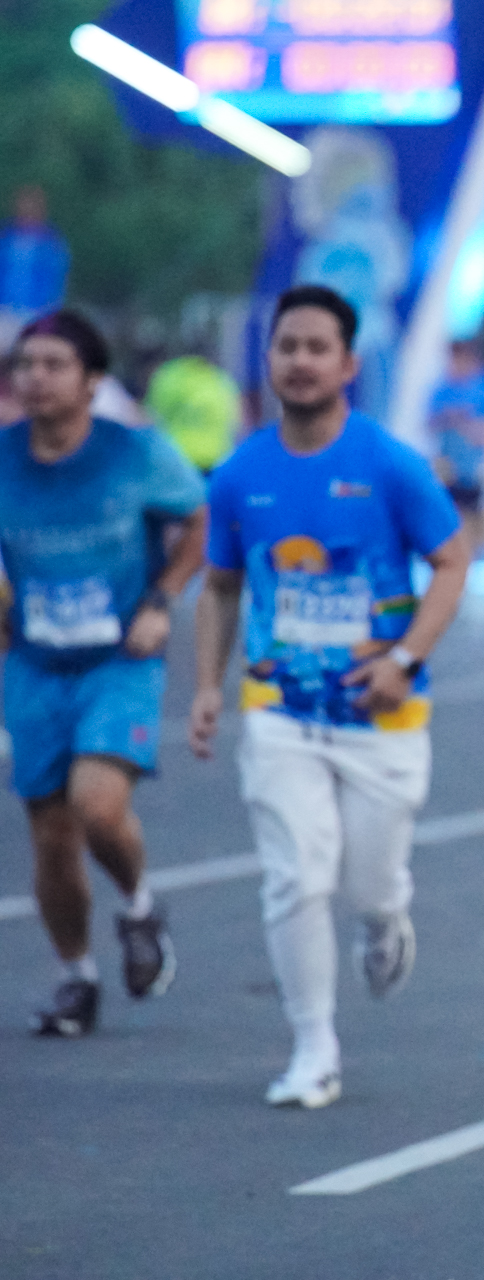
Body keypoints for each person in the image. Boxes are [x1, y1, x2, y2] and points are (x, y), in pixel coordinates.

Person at [188, 284, 471, 1109]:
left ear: (348, 365)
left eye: (318, 348)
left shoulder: (390, 465)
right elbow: (220, 587)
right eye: (287, 346)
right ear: (268, 359)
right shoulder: (240, 474)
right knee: (295, 877)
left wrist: (405, 659)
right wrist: (207, 687)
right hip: (279, 710)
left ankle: (385, 918)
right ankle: (313, 1046)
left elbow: (452, 561)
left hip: (382, 714)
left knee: (368, 883)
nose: (301, 361)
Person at [0, 310, 207, 1037]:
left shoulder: (134, 453)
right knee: (51, 837)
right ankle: (77, 977)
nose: (36, 378)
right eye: (26, 364)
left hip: (120, 660)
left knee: (97, 805)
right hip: (34, 664)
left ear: (92, 381)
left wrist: (161, 600)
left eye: (54, 364)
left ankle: (140, 905)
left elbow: (198, 521)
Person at [429, 338, 484, 534]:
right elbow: (430, 423)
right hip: (451, 465)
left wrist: (475, 428)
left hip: (479, 463)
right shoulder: (444, 389)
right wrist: (450, 418)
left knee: (476, 516)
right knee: (452, 517)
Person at [144, 352, 242, 475]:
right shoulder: (221, 380)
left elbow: (152, 418)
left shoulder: (169, 377)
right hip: (215, 460)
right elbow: (235, 422)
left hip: (177, 459)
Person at [0, 188, 70, 334]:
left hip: (37, 311)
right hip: (5, 309)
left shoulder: (52, 243)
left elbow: (56, 280)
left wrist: (49, 312)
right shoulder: (6, 238)